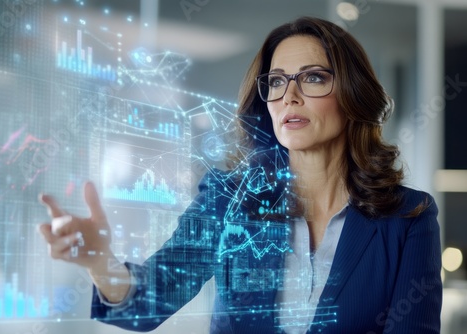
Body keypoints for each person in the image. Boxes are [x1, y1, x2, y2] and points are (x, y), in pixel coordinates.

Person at [38, 16, 442, 333]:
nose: (290, 96)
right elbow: (148, 304)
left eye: (313, 78)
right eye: (277, 82)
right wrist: (100, 261)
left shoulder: (409, 216)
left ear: (354, 94)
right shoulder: (225, 199)